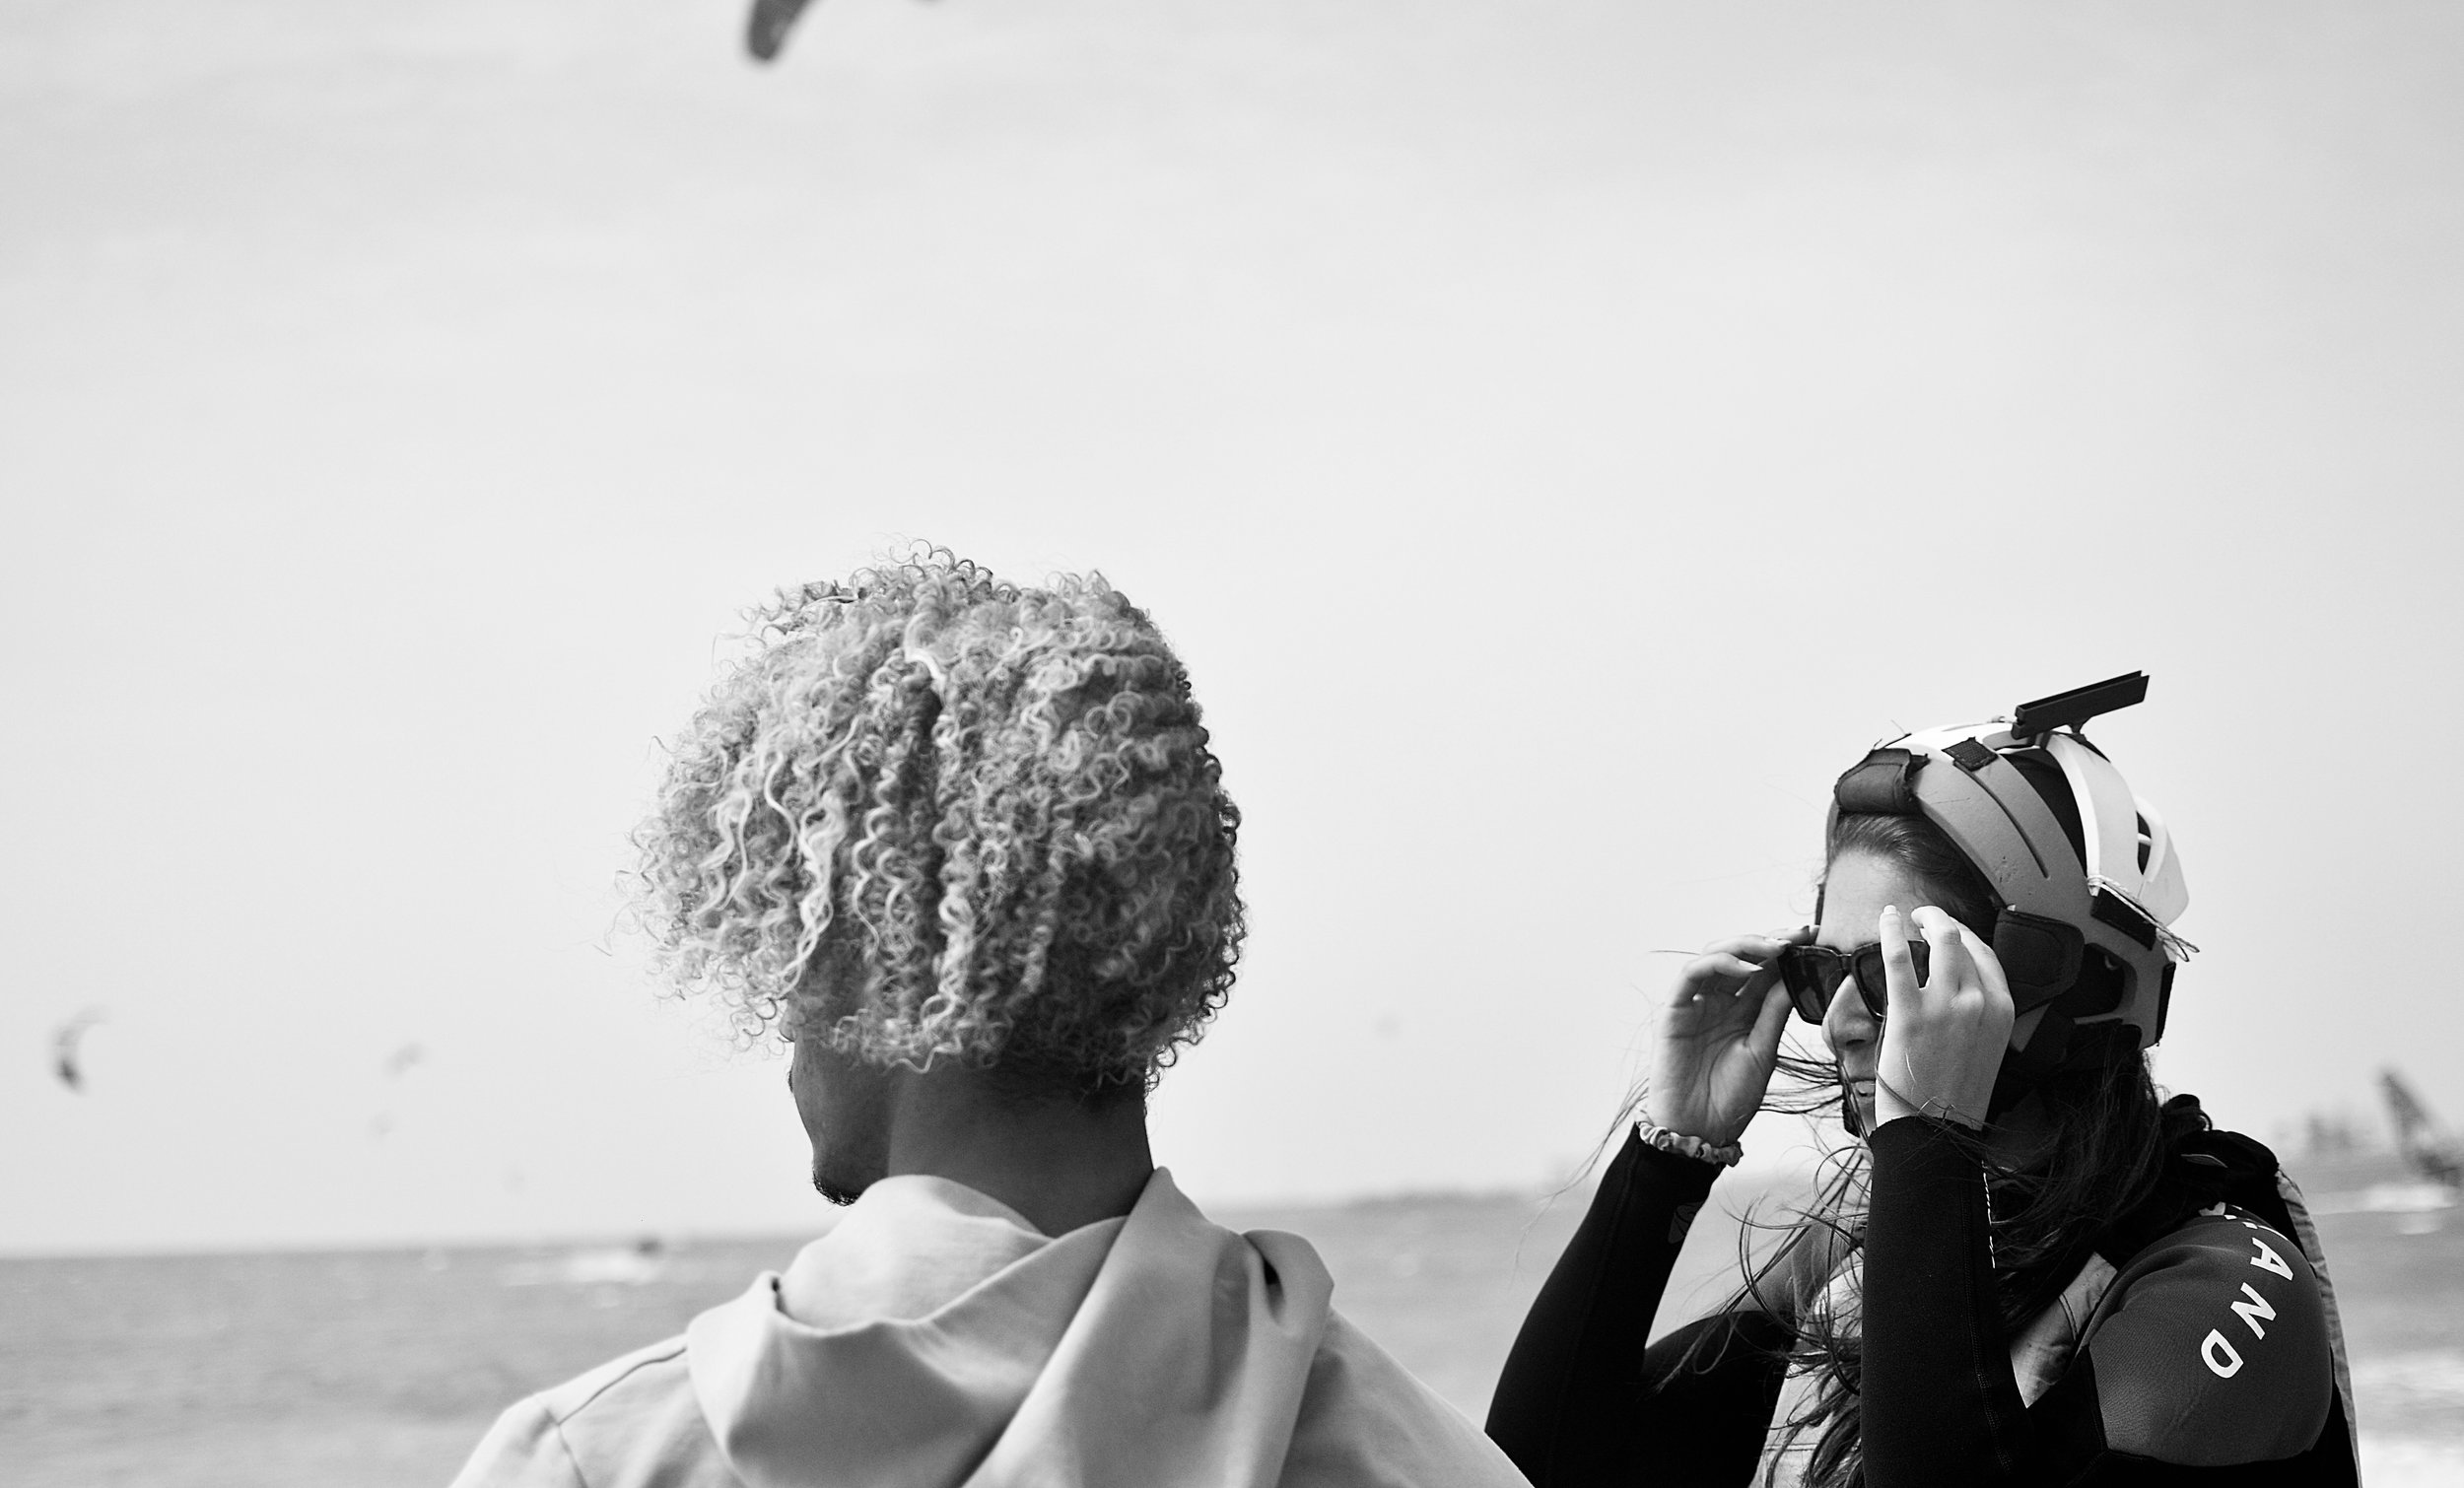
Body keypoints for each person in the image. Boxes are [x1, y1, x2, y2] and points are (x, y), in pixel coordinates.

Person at [452, 551, 1523, 1488]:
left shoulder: (600, 1458)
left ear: (861, 951)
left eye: (790, 960)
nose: (787, 1033)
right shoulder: (1417, 1458)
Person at [1485, 674, 2358, 1486]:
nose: (1838, 1022)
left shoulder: (2221, 1282)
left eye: (1896, 969)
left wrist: (1929, 1135)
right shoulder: (1862, 1257)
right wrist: (1670, 1157)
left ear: (2072, 986)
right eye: (1823, 971)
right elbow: (1537, 1468)